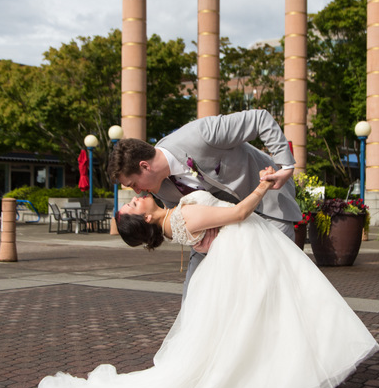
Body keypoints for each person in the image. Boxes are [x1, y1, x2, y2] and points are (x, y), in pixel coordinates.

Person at [8, 169, 379, 388]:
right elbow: (236, 214)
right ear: (144, 218)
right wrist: (263, 186)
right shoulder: (183, 216)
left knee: (271, 324)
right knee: (280, 319)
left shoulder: (172, 219)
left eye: (133, 196)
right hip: (248, 257)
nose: (136, 197)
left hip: (243, 257)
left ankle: (296, 387)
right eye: (134, 204)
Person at [106, 108, 303, 298]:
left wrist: (285, 165)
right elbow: (191, 221)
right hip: (231, 228)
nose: (137, 192)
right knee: (194, 287)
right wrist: (200, 242)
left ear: (145, 166)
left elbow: (260, 119)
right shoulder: (161, 189)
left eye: (133, 184)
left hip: (269, 200)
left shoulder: (201, 134)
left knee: (281, 279)